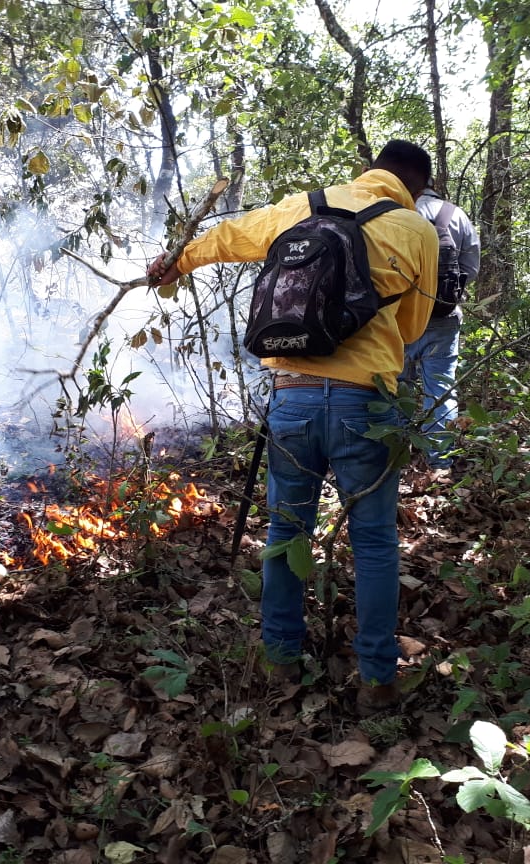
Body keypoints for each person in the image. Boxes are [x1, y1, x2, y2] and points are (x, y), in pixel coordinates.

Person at [148, 140, 439, 714]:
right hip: (368, 407)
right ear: (417, 186)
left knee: (286, 533)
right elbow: (411, 329)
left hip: (293, 402)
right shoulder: (415, 229)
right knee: (375, 543)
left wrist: (172, 264)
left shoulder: (301, 207)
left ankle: (281, 660)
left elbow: (226, 238)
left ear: (370, 169)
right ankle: (377, 679)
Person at [401, 189, 480, 471]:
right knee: (441, 390)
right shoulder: (455, 214)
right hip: (444, 317)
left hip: (400, 318)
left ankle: (395, 459)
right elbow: (470, 269)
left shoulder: (395, 212)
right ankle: (440, 463)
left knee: (398, 387)